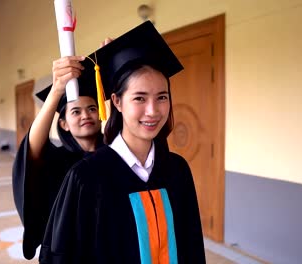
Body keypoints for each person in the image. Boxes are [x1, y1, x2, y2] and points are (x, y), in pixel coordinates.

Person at [39, 21, 206, 264]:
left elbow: (192, 248)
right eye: (139, 98)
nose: (153, 111)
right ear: (116, 101)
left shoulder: (177, 170)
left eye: (162, 97)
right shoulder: (86, 177)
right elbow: (61, 257)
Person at [12, 51, 107, 259]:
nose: (85, 115)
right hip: (70, 253)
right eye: (75, 112)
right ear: (63, 123)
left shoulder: (114, 156)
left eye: (92, 108)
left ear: (100, 114)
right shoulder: (57, 161)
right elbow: (32, 148)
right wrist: (56, 90)